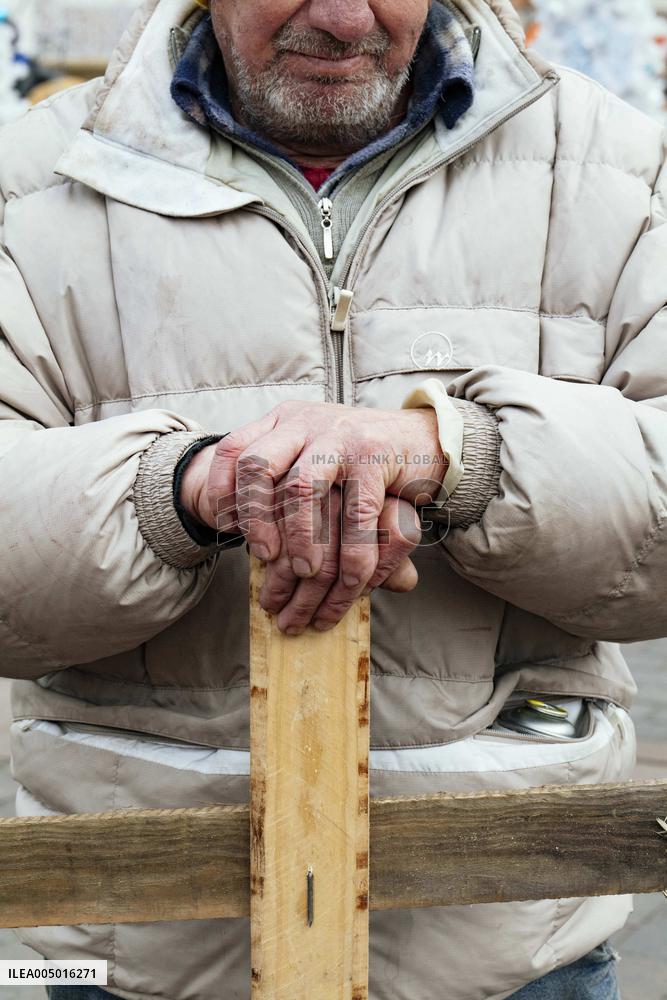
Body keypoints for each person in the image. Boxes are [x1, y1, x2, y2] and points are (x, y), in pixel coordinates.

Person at [0, 0, 665, 998]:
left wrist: (463, 456)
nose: (346, 17)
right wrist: (180, 491)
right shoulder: (35, 182)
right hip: (126, 945)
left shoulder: (614, 168)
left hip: (515, 933)